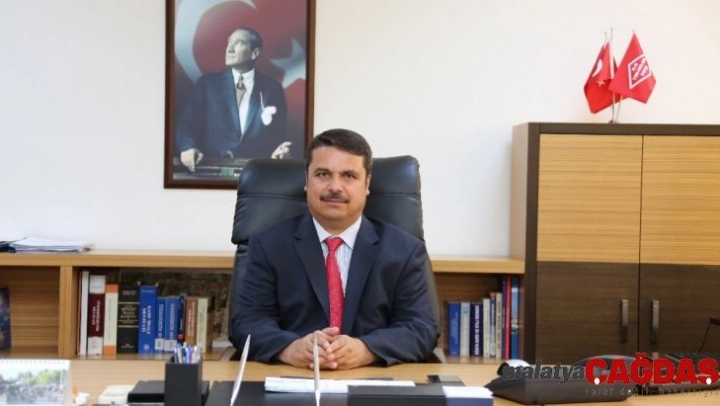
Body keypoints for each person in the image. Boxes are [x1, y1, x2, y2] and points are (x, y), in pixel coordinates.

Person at [232, 128, 438, 370]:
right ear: (306, 181)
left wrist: (366, 350)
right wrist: (290, 348)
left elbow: (420, 328)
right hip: (294, 377)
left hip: (370, 380)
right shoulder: (269, 245)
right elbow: (247, 323)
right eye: (323, 174)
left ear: (367, 183)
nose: (335, 187)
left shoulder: (404, 250)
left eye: (348, 175)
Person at [176, 27, 290, 172]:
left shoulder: (272, 89)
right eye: (229, 42)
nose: (229, 49)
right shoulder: (207, 84)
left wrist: (278, 152)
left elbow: (277, 134)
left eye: (238, 43)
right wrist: (188, 147)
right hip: (211, 171)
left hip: (256, 173)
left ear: (255, 53)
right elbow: (186, 124)